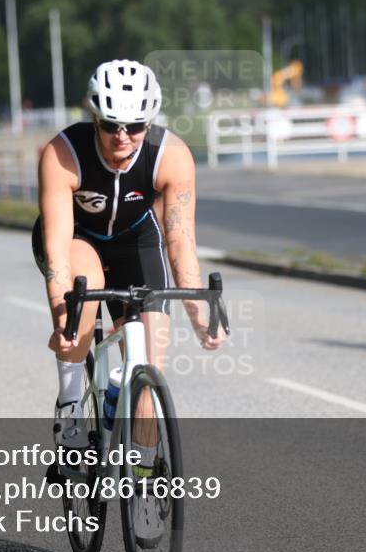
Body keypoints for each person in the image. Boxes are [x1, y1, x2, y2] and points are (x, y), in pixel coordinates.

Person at [34, 59, 226, 441]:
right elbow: (57, 250)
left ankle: (139, 463)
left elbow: (180, 240)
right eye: (111, 125)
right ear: (95, 118)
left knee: (148, 381)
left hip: (136, 240)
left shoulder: (171, 155)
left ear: (149, 123)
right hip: (77, 237)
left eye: (134, 126)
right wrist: (61, 319)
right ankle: (70, 404)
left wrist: (199, 315)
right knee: (84, 291)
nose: (122, 136)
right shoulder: (63, 153)